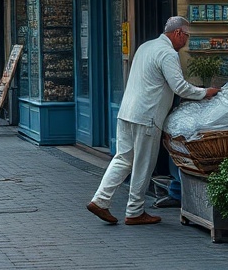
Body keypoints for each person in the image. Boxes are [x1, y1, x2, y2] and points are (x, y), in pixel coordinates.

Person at [86, 16, 218, 226]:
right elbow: (180, 87)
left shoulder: (146, 47)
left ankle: (100, 200)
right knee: (143, 164)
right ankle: (135, 211)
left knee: (122, 159)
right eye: (186, 35)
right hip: (147, 116)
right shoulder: (167, 53)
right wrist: (205, 92)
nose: (186, 41)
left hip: (127, 111)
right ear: (177, 33)